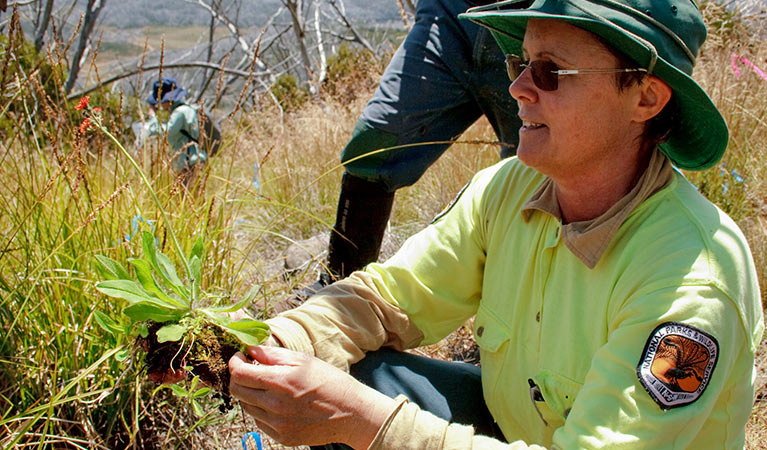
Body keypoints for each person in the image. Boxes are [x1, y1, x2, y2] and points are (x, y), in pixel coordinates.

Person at [230, 0, 765, 449]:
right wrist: (272, 341)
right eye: (521, 62)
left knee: (358, 405)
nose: (519, 89)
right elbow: (386, 300)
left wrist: (358, 421)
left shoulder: (691, 283)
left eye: (552, 71)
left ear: (645, 98)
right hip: (515, 430)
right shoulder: (508, 189)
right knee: (355, 371)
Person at [286, 0, 522, 300]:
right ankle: (338, 286)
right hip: (449, 14)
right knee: (377, 140)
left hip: (526, 12)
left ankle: (518, 315)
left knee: (534, 169)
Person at [144, 77, 209, 185]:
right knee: (191, 198)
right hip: (192, 162)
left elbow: (167, 132)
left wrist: (153, 118)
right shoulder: (185, 110)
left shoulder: (180, 112)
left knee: (187, 198)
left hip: (190, 163)